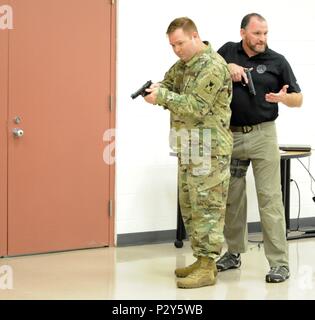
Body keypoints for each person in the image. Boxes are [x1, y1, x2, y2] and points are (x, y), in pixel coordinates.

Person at [143, 17, 233, 289]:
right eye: (172, 45)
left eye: (180, 43)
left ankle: (208, 266)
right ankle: (201, 258)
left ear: (195, 37)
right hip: (190, 145)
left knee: (208, 208)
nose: (177, 50)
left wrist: (162, 98)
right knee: (191, 205)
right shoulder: (184, 65)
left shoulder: (213, 66)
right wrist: (160, 89)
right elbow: (168, 82)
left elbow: (195, 106)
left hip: (209, 148)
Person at [216, 13, 303, 283]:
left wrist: (284, 98)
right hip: (231, 136)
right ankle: (233, 253)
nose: (262, 39)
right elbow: (207, 66)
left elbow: (298, 98)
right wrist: (226, 65)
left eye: (265, 33)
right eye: (257, 33)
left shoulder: (277, 61)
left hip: (263, 135)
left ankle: (279, 263)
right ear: (243, 33)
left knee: (270, 199)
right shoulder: (227, 50)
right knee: (232, 199)